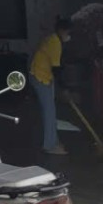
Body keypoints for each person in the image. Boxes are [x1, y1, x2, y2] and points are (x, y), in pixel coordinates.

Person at [30, 16, 73, 155]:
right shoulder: (55, 43)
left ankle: (54, 141)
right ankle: (49, 145)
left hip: (44, 76)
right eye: (68, 32)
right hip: (40, 77)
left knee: (50, 110)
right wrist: (64, 89)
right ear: (62, 30)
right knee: (49, 112)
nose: (68, 35)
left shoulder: (53, 39)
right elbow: (57, 69)